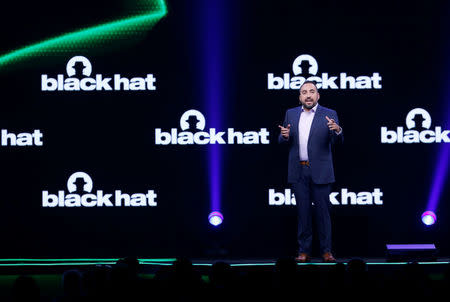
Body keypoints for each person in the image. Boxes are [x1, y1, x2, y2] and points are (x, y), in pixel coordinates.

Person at [278, 80, 343, 262]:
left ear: (318, 95)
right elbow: (283, 137)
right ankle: (304, 251)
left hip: (321, 171)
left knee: (323, 214)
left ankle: (326, 251)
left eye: (312, 91)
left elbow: (337, 139)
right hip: (299, 171)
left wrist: (337, 130)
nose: (308, 95)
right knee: (303, 213)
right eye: (304, 92)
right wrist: (283, 136)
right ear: (300, 97)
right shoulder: (290, 114)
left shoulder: (329, 114)